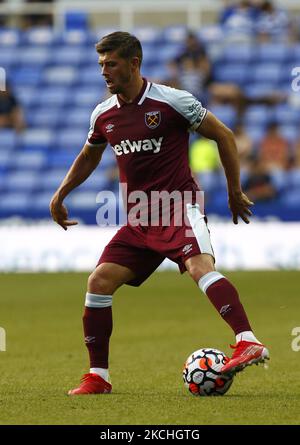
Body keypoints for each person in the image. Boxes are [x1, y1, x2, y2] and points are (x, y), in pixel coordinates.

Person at [49, 32, 269, 395]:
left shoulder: (172, 101)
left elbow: (224, 136)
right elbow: (90, 154)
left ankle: (247, 340)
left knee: (200, 267)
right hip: (138, 220)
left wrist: (234, 191)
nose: (104, 71)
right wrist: (61, 193)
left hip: (177, 208)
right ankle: (98, 377)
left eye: (111, 64)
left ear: (133, 64)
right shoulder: (103, 114)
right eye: (101, 64)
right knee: (99, 282)